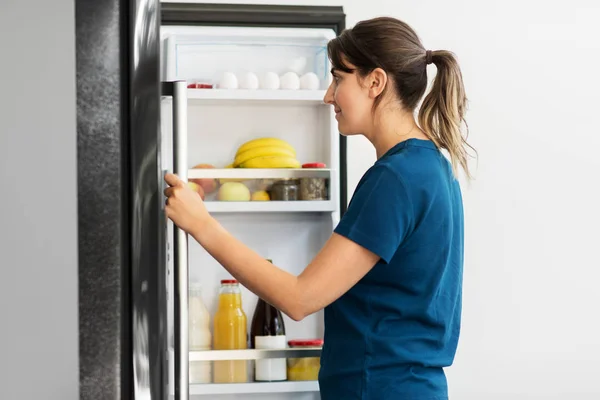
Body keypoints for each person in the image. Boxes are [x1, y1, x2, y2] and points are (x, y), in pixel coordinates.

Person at [164, 16, 473, 400]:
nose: (329, 95)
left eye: (338, 78)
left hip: (379, 389)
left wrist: (202, 225)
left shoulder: (396, 177)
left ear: (375, 82)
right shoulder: (431, 166)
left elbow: (300, 298)